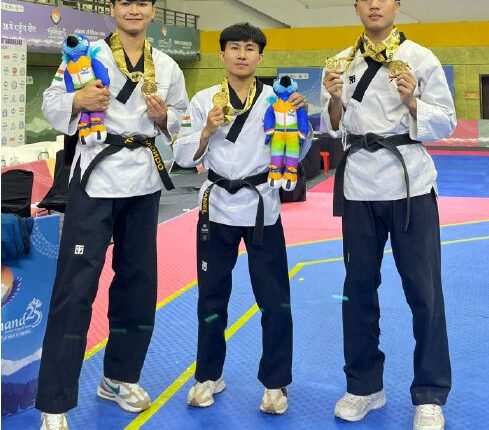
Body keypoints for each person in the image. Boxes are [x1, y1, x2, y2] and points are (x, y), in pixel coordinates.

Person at [36, 0, 188, 428]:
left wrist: (166, 118)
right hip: (96, 178)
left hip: (144, 181)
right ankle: (55, 401)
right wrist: (77, 99)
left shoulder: (168, 66)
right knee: (75, 288)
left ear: (153, 11)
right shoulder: (85, 55)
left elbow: (181, 119)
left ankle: (119, 378)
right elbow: (51, 102)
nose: (133, 10)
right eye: (125, 2)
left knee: (138, 286)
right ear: (113, 9)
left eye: (142, 3)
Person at [320, 1, 455, 429]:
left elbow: (446, 121)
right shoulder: (340, 61)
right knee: (358, 289)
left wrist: (412, 100)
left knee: (424, 292)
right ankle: (364, 387)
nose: (374, 4)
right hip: (359, 185)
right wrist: (335, 100)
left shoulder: (420, 57)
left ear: (397, 5)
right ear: (356, 6)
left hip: (410, 184)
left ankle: (430, 393)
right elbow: (332, 126)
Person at [173, 22, 311, 415]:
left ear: (260, 57)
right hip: (216, 207)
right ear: (222, 54)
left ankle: (276, 383)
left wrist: (299, 121)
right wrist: (206, 130)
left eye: (250, 48)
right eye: (234, 47)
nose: (242, 54)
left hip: (261, 206)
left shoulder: (277, 99)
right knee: (211, 297)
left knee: (274, 300)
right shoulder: (203, 99)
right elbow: (182, 155)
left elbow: (298, 153)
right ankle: (208, 375)